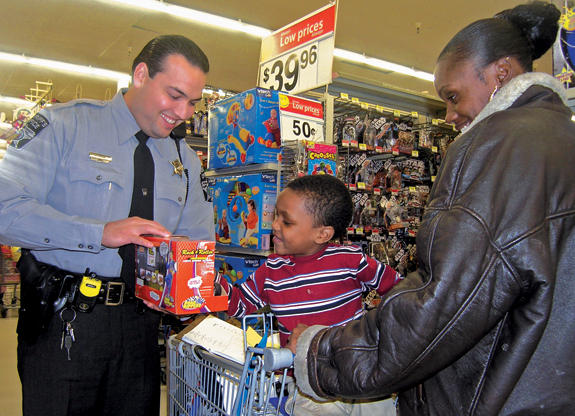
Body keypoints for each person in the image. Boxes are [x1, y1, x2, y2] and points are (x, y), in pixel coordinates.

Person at [287, 2, 575, 415]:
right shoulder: (561, 138)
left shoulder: (497, 145)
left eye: (453, 96)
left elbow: (445, 300)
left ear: (502, 74)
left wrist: (321, 351)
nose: (451, 115)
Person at [0, 35, 214, 416]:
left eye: (193, 102)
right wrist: (98, 232)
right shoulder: (64, 125)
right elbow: (6, 210)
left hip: (141, 330)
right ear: (141, 74)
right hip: (65, 322)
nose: (184, 112)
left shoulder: (186, 160)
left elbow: (197, 242)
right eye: (175, 95)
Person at [221, 174, 403, 415]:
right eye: (276, 215)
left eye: (286, 222)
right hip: (310, 385)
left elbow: (400, 292)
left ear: (322, 234)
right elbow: (239, 305)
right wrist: (213, 286)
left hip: (361, 374)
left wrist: (381, 334)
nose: (274, 225)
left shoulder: (350, 259)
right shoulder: (271, 271)